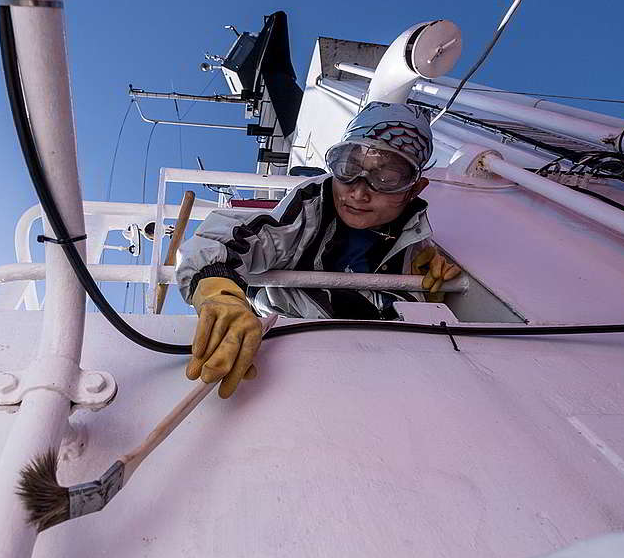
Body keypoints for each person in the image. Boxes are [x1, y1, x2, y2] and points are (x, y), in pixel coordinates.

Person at [176, 101, 460, 398]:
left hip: (387, 370)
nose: (359, 191)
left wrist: (422, 296)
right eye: (349, 167)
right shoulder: (311, 208)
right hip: (292, 342)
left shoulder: (416, 245)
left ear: (414, 188)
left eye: (387, 178)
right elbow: (228, 240)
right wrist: (220, 292)